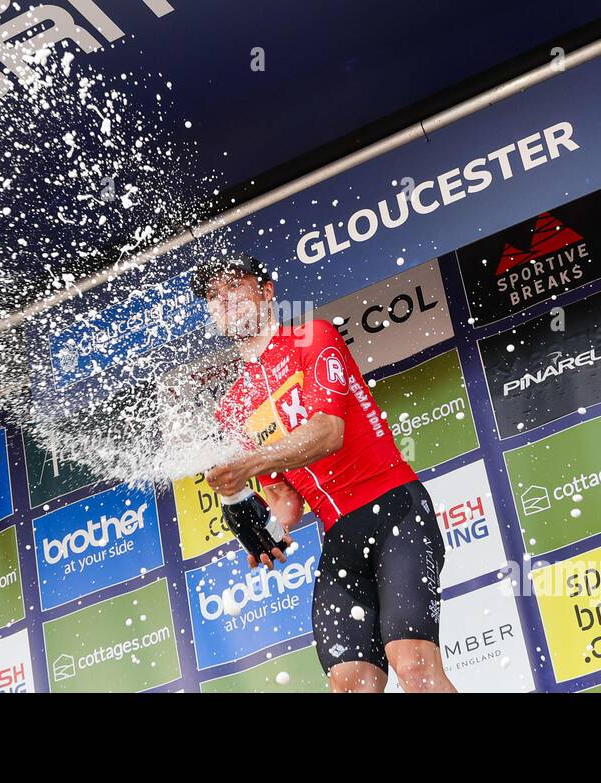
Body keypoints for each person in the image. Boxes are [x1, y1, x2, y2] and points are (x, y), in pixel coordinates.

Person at [195, 254, 456, 693]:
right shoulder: (233, 407)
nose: (225, 302)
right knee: (349, 684)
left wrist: (250, 465)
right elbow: (286, 504)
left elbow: (328, 432)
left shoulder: (311, 336)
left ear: (266, 291)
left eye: (234, 288)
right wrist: (254, 521)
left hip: (394, 511)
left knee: (414, 665)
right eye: (214, 297)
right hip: (340, 536)